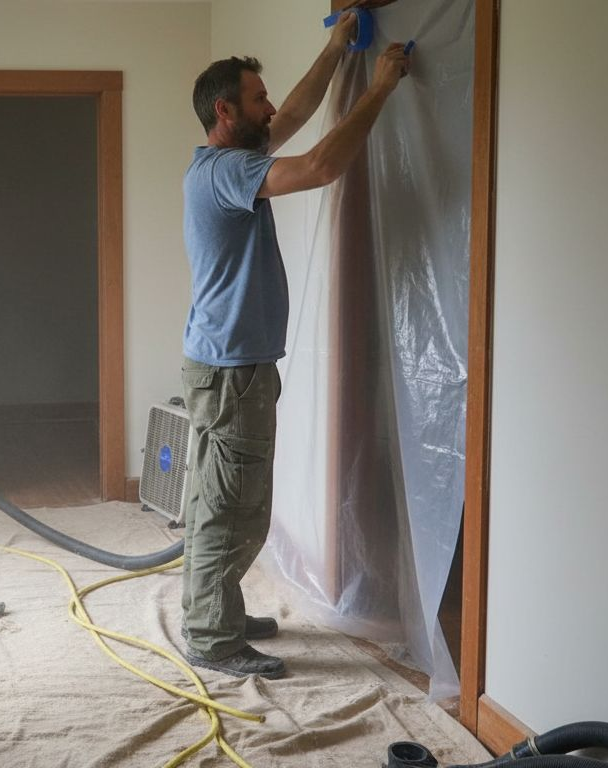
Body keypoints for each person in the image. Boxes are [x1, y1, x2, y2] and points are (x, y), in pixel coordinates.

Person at [179, 12, 411, 679]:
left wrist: (338, 48)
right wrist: (381, 87)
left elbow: (299, 114)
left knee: (221, 499)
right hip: (231, 371)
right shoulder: (227, 172)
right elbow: (319, 165)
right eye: (257, 99)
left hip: (225, 365)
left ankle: (214, 610)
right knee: (235, 510)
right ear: (226, 111)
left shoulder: (228, 159)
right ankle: (211, 636)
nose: (271, 106)